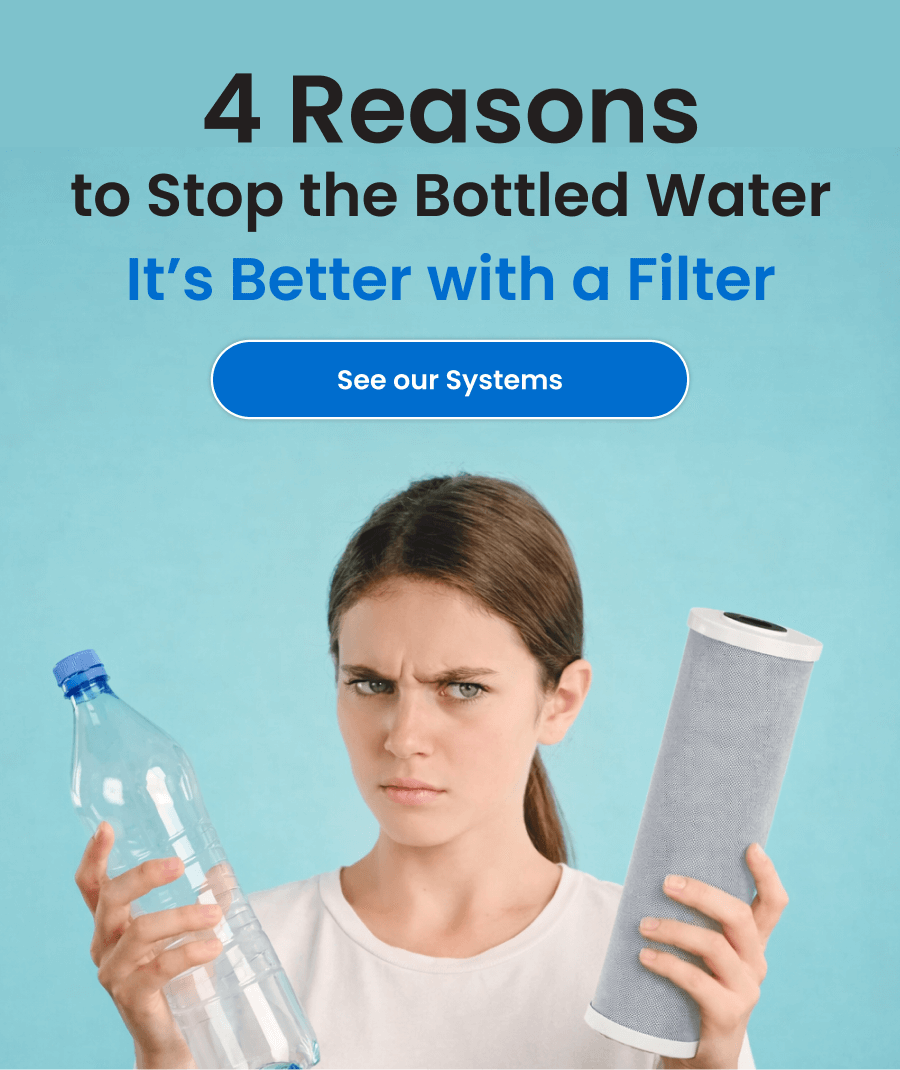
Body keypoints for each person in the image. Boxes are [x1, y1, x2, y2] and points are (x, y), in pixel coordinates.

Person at [75, 474, 786, 1070]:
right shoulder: (232, 958)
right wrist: (163, 1056)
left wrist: (708, 1063)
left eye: (463, 687)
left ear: (559, 702)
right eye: (371, 683)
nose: (404, 737)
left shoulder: (655, 971)